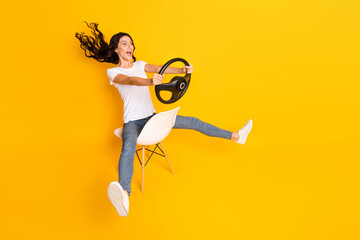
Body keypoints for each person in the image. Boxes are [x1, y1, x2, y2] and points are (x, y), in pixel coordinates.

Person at [75, 22, 253, 217]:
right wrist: (150, 82)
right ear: (116, 48)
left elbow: (160, 68)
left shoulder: (140, 65)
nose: (130, 47)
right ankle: (124, 194)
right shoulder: (113, 73)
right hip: (132, 123)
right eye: (125, 44)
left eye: (131, 43)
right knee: (128, 146)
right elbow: (131, 81)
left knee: (193, 122)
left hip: (153, 119)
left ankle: (236, 136)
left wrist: (182, 71)